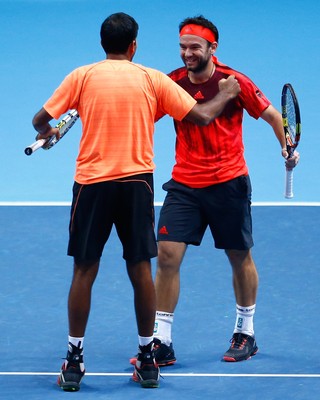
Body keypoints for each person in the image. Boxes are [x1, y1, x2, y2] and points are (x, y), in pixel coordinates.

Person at [32, 13, 241, 391]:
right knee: (141, 271)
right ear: (134, 46)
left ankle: (74, 360)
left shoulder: (81, 76)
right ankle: (148, 361)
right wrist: (226, 93)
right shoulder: (152, 78)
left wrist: (48, 132)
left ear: (102, 44)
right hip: (135, 186)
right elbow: (202, 116)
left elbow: (39, 119)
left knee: (83, 271)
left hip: (91, 186)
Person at [130, 15, 299, 367]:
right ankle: (162, 340)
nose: (187, 53)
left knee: (239, 257)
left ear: (212, 48)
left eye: (194, 47)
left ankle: (245, 332)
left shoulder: (234, 82)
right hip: (185, 185)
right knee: (167, 256)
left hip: (229, 184)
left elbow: (271, 117)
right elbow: (143, 116)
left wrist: (286, 147)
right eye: (182, 47)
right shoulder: (172, 83)